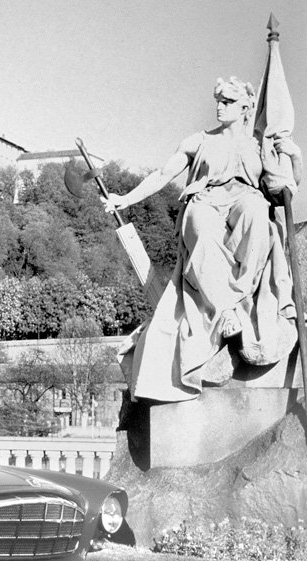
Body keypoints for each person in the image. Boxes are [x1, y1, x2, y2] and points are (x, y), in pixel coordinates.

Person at [106, 77, 303, 402]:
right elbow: (163, 175)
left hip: (245, 200)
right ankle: (225, 310)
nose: (219, 106)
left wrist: (293, 157)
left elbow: (285, 190)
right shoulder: (198, 141)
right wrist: (125, 199)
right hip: (207, 202)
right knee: (200, 221)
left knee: (257, 211)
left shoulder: (257, 146)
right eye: (218, 100)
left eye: (227, 101)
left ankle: (240, 299)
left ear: (245, 107)